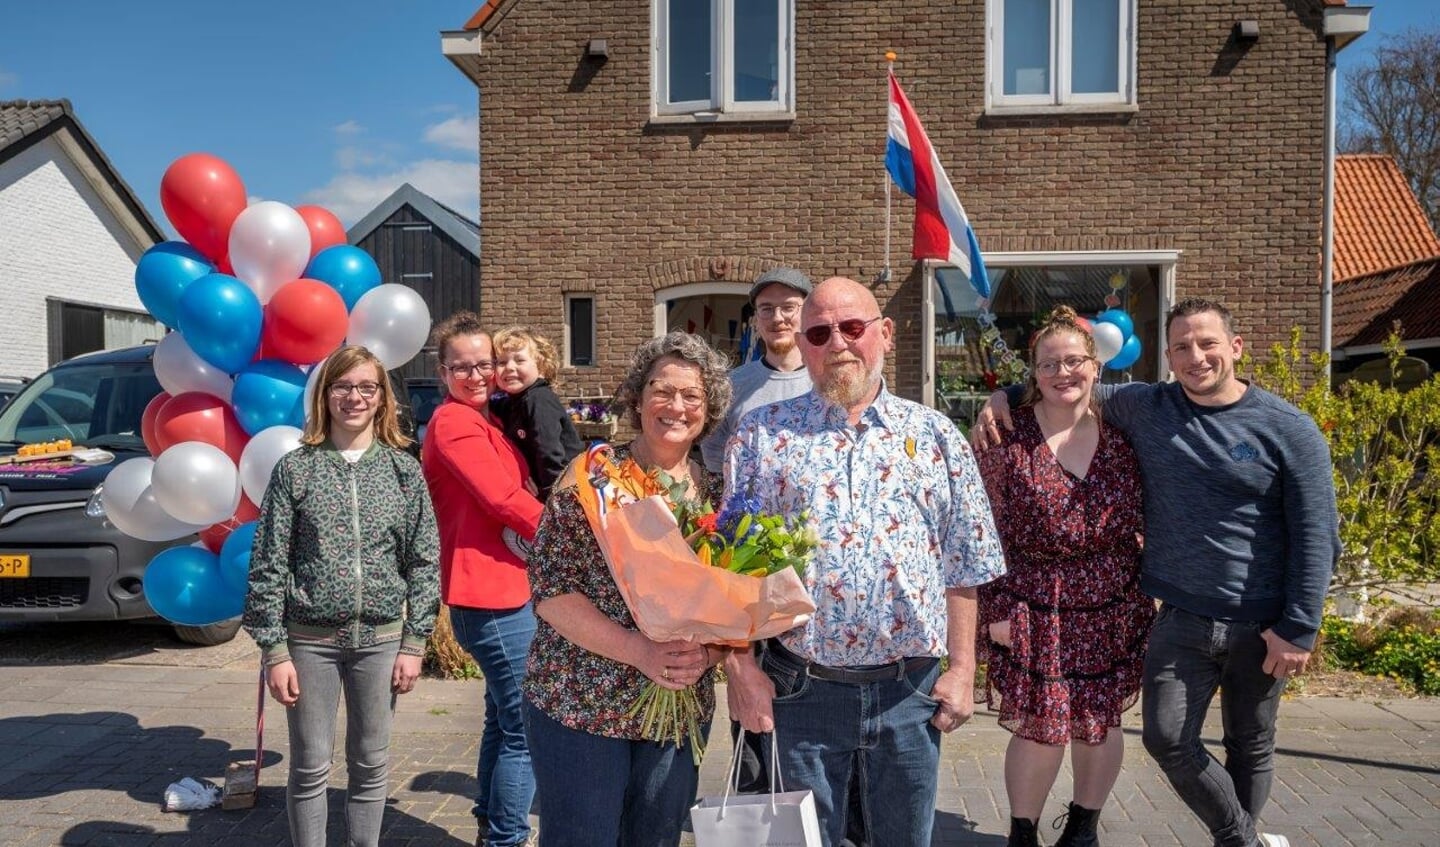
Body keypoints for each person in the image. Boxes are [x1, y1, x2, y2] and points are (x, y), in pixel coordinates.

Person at [973, 298, 1340, 847]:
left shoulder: (1288, 428)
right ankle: (1240, 838)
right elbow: (1060, 384)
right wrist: (1001, 395)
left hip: (1255, 618)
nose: (1196, 357)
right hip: (1175, 612)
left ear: (1235, 348)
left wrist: (1299, 625)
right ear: (1166, 357)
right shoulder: (1148, 407)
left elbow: (1318, 534)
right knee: (1164, 737)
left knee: (1250, 741)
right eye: (1183, 347)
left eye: (1208, 343)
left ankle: (1232, 839)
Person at [724, 277, 1006, 847]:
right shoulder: (760, 437)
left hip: (910, 695)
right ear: (802, 346)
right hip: (801, 691)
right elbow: (732, 569)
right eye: (820, 332)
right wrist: (740, 669)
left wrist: (961, 669)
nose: (839, 344)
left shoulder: (934, 436)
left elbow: (964, 563)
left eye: (852, 328)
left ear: (885, 333)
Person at [523, 331, 731, 847]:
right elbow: (551, 590)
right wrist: (639, 650)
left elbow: (736, 606)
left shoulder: (720, 495)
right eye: (662, 390)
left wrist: (708, 654)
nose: (676, 406)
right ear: (638, 399)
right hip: (580, 700)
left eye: (692, 396)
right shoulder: (592, 477)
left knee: (656, 838)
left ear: (709, 410)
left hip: (676, 705)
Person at [243, 344, 440, 847]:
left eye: (366, 387)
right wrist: (274, 650)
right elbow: (268, 563)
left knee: (371, 764)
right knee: (309, 766)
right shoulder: (297, 469)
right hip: (309, 644)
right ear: (325, 395)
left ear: (382, 398)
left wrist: (415, 643)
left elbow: (423, 561)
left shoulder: (402, 471)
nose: (354, 397)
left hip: (381, 642)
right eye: (343, 386)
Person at [972, 306, 1152, 847]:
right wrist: (994, 610)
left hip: (1112, 600)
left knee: (1100, 721)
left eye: (1074, 360)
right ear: (1033, 372)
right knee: (1041, 724)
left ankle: (1082, 829)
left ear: (1096, 366)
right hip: (1034, 600)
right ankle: (1022, 833)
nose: (1063, 372)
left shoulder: (1126, 435)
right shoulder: (1005, 437)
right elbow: (983, 529)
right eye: (1049, 363)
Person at [421, 311, 545, 847]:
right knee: (527, 729)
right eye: (462, 367)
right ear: (443, 371)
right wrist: (575, 534)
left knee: (503, 720)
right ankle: (506, 838)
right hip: (489, 594)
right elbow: (500, 498)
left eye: (485, 364)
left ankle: (490, 826)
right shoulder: (453, 423)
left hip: (502, 588)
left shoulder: (486, 419)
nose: (477, 375)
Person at [699, 266, 814, 474]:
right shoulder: (732, 386)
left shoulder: (829, 383)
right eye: (766, 308)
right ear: (756, 319)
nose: (777, 318)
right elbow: (715, 460)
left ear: (807, 313)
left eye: (788, 307)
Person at [491, 326, 585, 501]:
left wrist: (550, 494)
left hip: (565, 489)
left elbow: (549, 452)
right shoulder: (512, 402)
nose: (510, 367)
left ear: (541, 367)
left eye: (519, 360)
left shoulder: (539, 399)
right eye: (501, 362)